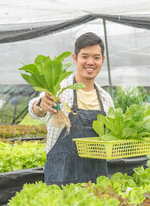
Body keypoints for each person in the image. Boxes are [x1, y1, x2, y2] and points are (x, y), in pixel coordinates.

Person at [28, 32, 114, 186]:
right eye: (85, 56)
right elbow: (35, 111)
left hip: (95, 178)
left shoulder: (105, 98)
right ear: (75, 58)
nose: (90, 62)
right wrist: (41, 103)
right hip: (60, 175)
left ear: (103, 60)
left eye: (96, 57)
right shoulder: (59, 89)